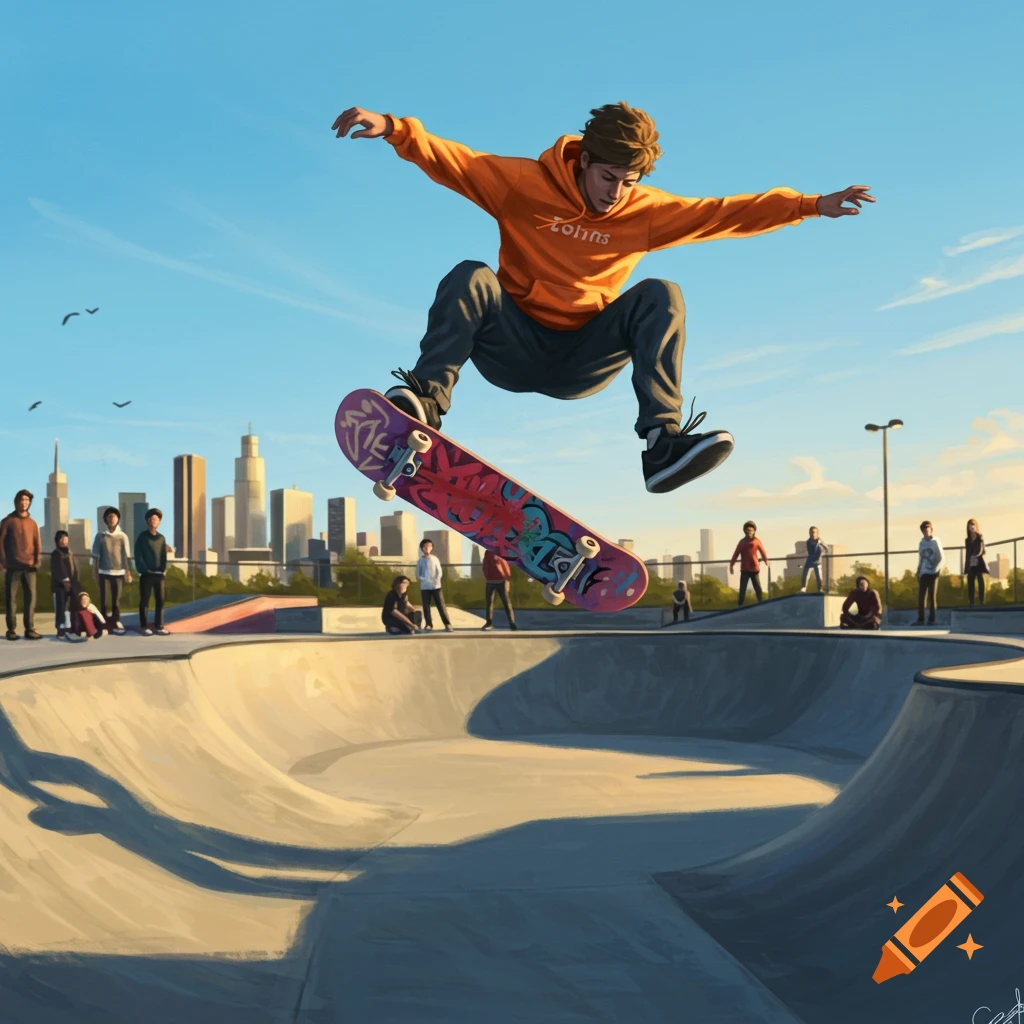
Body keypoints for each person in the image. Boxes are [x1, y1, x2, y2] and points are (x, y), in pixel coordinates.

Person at [332, 103, 874, 494]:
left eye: (628, 181)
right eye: (608, 177)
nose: (615, 193)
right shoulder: (523, 184)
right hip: (512, 345)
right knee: (471, 275)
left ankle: (662, 444)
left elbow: (723, 213)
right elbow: (457, 163)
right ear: (583, 161)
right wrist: (394, 130)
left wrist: (810, 205)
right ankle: (424, 403)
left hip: (581, 359)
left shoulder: (646, 211)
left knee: (662, 294)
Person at [0, 489, 43, 640]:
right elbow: (1, 543)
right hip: (12, 567)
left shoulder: (32, 523)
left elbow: (37, 543)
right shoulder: (7, 521)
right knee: (11, 600)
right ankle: (11, 630)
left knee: (31, 599)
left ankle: (29, 629)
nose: (24, 503)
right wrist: (3, 563)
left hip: (30, 568)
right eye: (22, 500)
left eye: (27, 500)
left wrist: (37, 560)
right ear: (16, 501)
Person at [91, 507, 133, 634]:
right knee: (103, 599)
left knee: (116, 599)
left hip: (119, 572)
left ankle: (116, 621)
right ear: (105, 520)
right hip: (104, 572)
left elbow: (126, 556)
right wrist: (95, 571)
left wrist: (128, 572)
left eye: (114, 517)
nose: (112, 519)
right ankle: (102, 622)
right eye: (109, 517)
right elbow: (95, 556)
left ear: (118, 519)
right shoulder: (100, 536)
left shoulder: (123, 536)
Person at [135, 508, 169, 635]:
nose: (154, 521)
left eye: (156, 519)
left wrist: (163, 569)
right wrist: (143, 569)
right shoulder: (142, 537)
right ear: (147, 521)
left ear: (159, 522)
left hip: (159, 574)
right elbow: (138, 555)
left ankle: (159, 626)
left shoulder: (161, 538)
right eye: (151, 519)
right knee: (144, 600)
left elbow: (163, 555)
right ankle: (144, 626)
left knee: (160, 600)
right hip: (146, 574)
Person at [416, 538, 453, 632]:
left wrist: (436, 580)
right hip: (425, 587)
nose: (428, 548)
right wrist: (425, 580)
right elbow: (418, 573)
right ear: (422, 548)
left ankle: (447, 624)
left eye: (429, 546)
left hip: (436, 587)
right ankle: (428, 624)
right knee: (426, 607)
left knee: (441, 606)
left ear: (432, 548)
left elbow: (439, 571)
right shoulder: (420, 561)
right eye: (426, 546)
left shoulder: (435, 559)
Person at [730, 521, 769, 605]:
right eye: (747, 530)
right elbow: (736, 554)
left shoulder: (757, 541)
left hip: (754, 568)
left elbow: (763, 551)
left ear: (754, 531)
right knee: (742, 588)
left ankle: (761, 602)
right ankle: (740, 604)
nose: (749, 532)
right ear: (745, 531)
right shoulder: (742, 542)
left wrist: (766, 560)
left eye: (751, 530)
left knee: (757, 587)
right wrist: (731, 565)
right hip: (745, 569)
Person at [50, 530, 79, 639]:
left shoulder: (70, 553)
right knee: (60, 607)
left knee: (72, 607)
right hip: (60, 586)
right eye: (61, 539)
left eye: (66, 538)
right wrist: (65, 580)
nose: (64, 541)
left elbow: (75, 569)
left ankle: (72, 627)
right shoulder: (56, 553)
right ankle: (61, 629)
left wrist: (75, 581)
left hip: (72, 584)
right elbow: (57, 569)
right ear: (57, 541)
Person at [915, 520, 944, 625]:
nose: (926, 533)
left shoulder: (936, 541)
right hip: (924, 572)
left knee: (932, 596)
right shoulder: (921, 543)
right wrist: (918, 570)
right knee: (921, 596)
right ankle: (920, 619)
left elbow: (941, 557)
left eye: (928, 530)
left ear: (931, 530)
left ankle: (932, 619)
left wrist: (936, 569)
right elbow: (921, 558)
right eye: (924, 531)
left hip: (934, 572)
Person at [482, 548, 517, 630]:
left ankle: (512, 623)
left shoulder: (500, 551)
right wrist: (486, 575)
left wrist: (507, 580)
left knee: (506, 603)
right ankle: (489, 623)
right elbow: (485, 564)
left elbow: (505, 565)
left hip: (501, 581)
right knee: (489, 603)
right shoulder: (487, 552)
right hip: (490, 581)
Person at [964, 518, 988, 606]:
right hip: (971, 562)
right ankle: (971, 602)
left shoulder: (980, 537)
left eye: (973, 525)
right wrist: (967, 566)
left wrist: (976, 555)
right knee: (970, 582)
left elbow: (982, 550)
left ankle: (981, 601)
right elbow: (967, 553)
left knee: (980, 581)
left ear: (976, 526)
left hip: (979, 561)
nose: (972, 527)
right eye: (970, 526)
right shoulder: (967, 540)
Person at [800, 526, 828, 593]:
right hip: (810, 559)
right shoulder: (808, 542)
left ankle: (820, 588)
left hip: (817, 560)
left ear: (817, 533)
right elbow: (812, 551)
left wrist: (821, 547)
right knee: (805, 573)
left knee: (818, 575)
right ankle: (803, 587)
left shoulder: (820, 541)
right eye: (811, 533)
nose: (812, 534)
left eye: (814, 532)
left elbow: (826, 549)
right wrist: (817, 544)